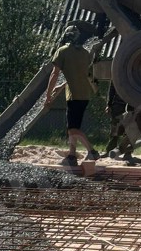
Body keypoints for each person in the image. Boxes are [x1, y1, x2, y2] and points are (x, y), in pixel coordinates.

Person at [43, 27, 100, 166]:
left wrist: (48, 95)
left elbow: (55, 74)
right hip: (85, 94)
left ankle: (92, 151)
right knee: (73, 126)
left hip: (74, 95)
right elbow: (80, 74)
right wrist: (62, 86)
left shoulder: (62, 51)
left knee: (73, 129)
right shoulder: (85, 53)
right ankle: (72, 156)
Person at [104, 81, 134, 162]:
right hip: (118, 103)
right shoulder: (117, 74)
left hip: (132, 102)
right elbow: (112, 88)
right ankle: (110, 150)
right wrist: (109, 104)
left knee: (130, 130)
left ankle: (128, 153)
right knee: (114, 129)